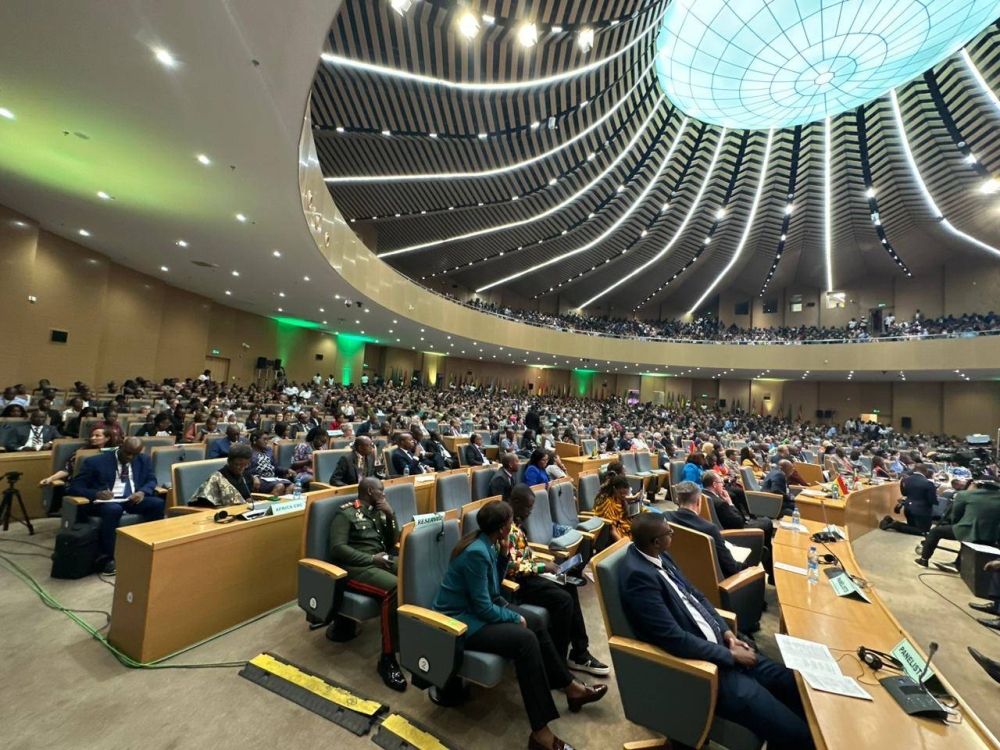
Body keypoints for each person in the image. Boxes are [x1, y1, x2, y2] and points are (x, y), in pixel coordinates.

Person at [620, 513, 814, 750]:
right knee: (799, 733)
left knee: (795, 685)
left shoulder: (659, 554)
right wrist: (730, 656)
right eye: (669, 533)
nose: (673, 534)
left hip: (724, 648)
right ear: (656, 542)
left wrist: (729, 635)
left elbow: (697, 596)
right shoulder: (639, 578)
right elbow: (674, 639)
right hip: (707, 671)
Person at [432, 500, 607, 750]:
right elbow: (482, 607)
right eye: (511, 521)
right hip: (460, 619)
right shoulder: (477, 552)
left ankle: (570, 687)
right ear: (503, 527)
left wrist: (504, 554)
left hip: (479, 608)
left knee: (535, 622)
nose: (514, 524)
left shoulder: (490, 544)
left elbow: (494, 586)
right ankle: (541, 734)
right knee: (525, 640)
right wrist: (514, 618)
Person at [506, 484, 608, 675]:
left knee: (568, 584)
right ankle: (556, 664)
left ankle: (579, 651)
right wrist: (542, 566)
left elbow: (522, 555)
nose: (530, 512)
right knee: (563, 600)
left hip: (531, 573)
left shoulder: (516, 522)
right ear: (516, 502)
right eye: (528, 507)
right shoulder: (504, 526)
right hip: (519, 584)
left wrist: (540, 562)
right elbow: (510, 567)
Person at [327, 477, 406, 691]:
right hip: (356, 567)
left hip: (379, 559)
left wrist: (391, 514)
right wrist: (371, 560)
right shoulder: (345, 513)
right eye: (382, 490)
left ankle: (414, 636)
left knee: (413, 570)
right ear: (371, 491)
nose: (384, 493)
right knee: (394, 588)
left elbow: (391, 542)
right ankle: (387, 659)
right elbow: (337, 549)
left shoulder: (378, 511)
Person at [67, 437, 165, 574]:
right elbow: (74, 487)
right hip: (106, 502)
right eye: (127, 452)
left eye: (134, 454)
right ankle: (108, 557)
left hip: (130, 498)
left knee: (157, 504)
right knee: (113, 509)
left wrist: (142, 492)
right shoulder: (95, 462)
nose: (130, 457)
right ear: (120, 446)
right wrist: (96, 493)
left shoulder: (143, 459)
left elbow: (151, 479)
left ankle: (149, 547)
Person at [667, 481, 770, 595]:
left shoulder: (665, 518)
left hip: (679, 576)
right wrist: (747, 567)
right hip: (717, 585)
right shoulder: (709, 529)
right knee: (760, 556)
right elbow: (731, 567)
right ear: (698, 501)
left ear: (677, 500)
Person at [916, 475, 1000, 568]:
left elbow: (955, 516)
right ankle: (958, 564)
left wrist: (957, 524)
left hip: (967, 530)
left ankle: (923, 560)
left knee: (935, 532)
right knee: (967, 536)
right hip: (991, 536)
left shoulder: (965, 495)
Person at [702, 471, 774, 577]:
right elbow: (739, 522)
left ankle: (763, 548)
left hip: (724, 528)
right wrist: (730, 503)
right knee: (767, 522)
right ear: (714, 484)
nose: (723, 485)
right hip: (734, 533)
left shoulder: (702, 495)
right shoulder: (721, 503)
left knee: (764, 524)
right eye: (721, 482)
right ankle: (763, 553)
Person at [191, 443, 265, 506]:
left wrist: (248, 500)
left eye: (245, 465)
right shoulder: (217, 478)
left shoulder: (246, 477)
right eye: (238, 465)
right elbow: (201, 503)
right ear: (229, 461)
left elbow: (246, 497)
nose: (241, 468)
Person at [879, 463, 937, 536]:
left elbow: (904, 494)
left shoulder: (906, 479)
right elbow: (933, 500)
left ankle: (890, 521)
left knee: (912, 527)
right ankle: (895, 524)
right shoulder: (929, 483)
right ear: (925, 471)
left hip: (908, 508)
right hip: (922, 511)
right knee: (924, 531)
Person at [593, 475, 640, 541]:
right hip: (612, 533)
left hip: (621, 526)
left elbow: (624, 498)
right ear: (614, 489)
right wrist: (625, 546)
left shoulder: (619, 497)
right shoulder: (607, 502)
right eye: (621, 493)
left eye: (625, 494)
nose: (623, 497)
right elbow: (612, 531)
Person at [248, 431, 296, 495]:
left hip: (272, 478)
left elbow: (276, 467)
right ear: (255, 440)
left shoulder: (268, 450)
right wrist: (254, 477)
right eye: (264, 439)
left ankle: (282, 504)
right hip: (258, 479)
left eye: (267, 439)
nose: (266, 442)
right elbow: (245, 471)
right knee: (280, 486)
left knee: (291, 486)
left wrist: (287, 470)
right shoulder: (248, 452)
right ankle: (267, 504)